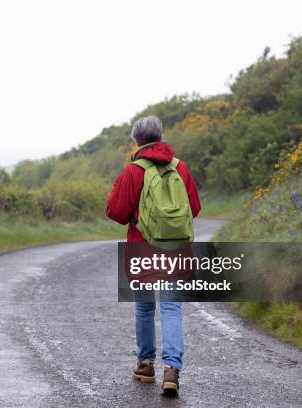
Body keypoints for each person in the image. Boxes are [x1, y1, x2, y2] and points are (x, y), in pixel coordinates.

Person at [106, 115, 201, 397]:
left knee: (145, 308)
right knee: (171, 308)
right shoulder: (180, 168)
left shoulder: (133, 171)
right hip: (176, 249)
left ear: (136, 140)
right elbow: (193, 208)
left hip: (142, 247)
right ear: (160, 137)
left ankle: (145, 365)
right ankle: (172, 370)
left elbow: (116, 212)